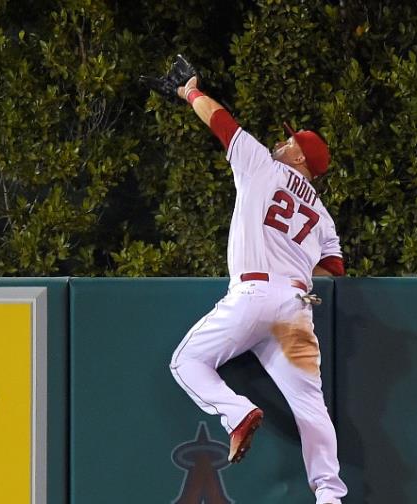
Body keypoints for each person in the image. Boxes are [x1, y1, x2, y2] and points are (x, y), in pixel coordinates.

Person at [168, 75, 347, 504]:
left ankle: (237, 412)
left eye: (289, 142)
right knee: (310, 407)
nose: (281, 143)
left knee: (186, 361)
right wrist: (295, 265)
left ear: (300, 156)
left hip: (253, 295)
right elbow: (335, 269)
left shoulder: (263, 165)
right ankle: (329, 495)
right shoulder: (322, 216)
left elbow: (221, 122)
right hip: (296, 305)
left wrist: (190, 91)